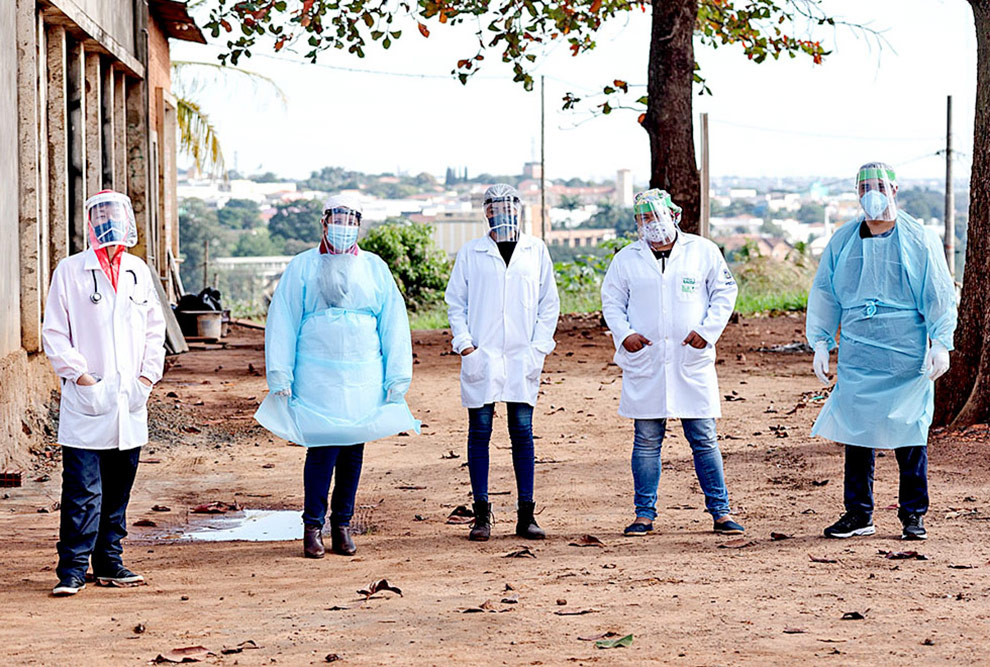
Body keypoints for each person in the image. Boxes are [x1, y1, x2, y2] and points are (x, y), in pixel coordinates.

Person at [255, 194, 419, 559]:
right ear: (324, 221)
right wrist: (280, 373)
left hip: (362, 373)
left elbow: (393, 322)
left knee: (352, 448)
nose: (343, 227)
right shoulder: (302, 267)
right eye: (337, 218)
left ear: (359, 225)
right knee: (323, 448)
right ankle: (312, 526)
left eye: (351, 220)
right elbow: (282, 319)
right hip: (317, 374)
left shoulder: (375, 268)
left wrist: (397, 376)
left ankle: (342, 524)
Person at [808, 162, 957, 541]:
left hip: (905, 352)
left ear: (894, 189)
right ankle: (858, 513)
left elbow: (938, 293)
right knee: (857, 435)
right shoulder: (843, 241)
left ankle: (913, 515)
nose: (872, 192)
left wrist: (941, 342)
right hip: (859, 352)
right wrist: (821, 341)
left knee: (910, 436)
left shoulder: (918, 239)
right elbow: (825, 293)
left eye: (878, 184)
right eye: (864, 186)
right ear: (857, 193)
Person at [42, 190, 166, 597]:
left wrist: (146, 379)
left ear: (129, 220)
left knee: (118, 489)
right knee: (82, 491)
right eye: (100, 216)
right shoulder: (70, 270)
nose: (108, 223)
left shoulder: (137, 270)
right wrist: (80, 377)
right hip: (88, 399)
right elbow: (55, 333)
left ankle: (109, 560)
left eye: (115, 215)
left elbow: (153, 330)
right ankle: (73, 569)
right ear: (90, 223)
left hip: (129, 399)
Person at [601, 189, 744, 537]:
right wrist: (624, 334)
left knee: (704, 439)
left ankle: (721, 512)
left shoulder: (702, 251)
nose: (651, 223)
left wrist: (707, 331)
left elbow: (725, 292)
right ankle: (644, 513)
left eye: (656, 215)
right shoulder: (627, 259)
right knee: (647, 441)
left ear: (674, 216)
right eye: (643, 217)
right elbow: (612, 301)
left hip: (689, 360)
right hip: (646, 360)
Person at [444, 184, 560, 541]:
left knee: (522, 433)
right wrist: (465, 346)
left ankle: (526, 515)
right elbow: (456, 302)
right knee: (480, 433)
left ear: (520, 210)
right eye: (496, 207)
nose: (504, 213)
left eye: (510, 206)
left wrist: (538, 348)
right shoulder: (471, 252)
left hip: (522, 357)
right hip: (483, 355)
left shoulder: (535, 250)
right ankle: (481, 515)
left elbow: (548, 303)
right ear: (487, 212)